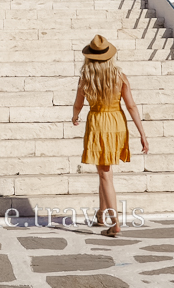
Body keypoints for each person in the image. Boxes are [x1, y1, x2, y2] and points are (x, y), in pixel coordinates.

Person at [71, 33, 149, 236]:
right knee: (104, 171)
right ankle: (101, 213)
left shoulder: (86, 77)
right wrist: (142, 133)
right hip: (116, 122)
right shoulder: (119, 76)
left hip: (98, 122)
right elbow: (131, 106)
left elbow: (78, 103)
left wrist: (75, 116)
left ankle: (114, 224)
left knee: (105, 174)